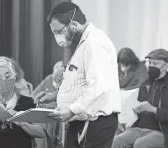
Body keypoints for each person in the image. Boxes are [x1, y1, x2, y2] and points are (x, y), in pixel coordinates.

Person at [35, 2, 121, 148]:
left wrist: (71, 110)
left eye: (58, 32)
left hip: (95, 123)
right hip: (82, 122)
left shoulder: (94, 43)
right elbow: (81, 82)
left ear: (73, 24)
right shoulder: (82, 43)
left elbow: (99, 86)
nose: (57, 37)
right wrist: (55, 95)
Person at [0, 56, 45, 148]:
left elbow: (41, 133)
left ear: (14, 77)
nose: (4, 81)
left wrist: (22, 122)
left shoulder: (29, 102)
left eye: (8, 76)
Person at [112, 49, 168, 148]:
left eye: (155, 63)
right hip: (139, 128)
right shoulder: (145, 85)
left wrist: (154, 110)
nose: (151, 66)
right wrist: (127, 118)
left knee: (140, 144)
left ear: (166, 66)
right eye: (150, 63)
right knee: (117, 140)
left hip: (161, 131)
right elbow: (137, 108)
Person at [33, 61, 65, 148]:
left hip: (59, 116)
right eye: (56, 77)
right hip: (45, 116)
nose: (57, 80)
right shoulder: (48, 79)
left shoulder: (67, 85)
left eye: (61, 77)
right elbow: (34, 95)